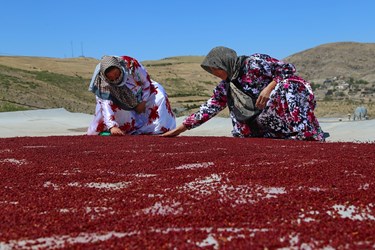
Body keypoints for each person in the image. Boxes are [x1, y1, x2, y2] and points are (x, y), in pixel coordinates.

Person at [162, 46, 325, 141]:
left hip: (293, 98)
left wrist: (269, 87)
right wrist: (179, 130)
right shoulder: (226, 85)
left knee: (288, 85)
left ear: (225, 62)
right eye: (211, 71)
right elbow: (209, 108)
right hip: (267, 111)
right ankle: (285, 135)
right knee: (243, 132)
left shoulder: (253, 63)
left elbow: (288, 69)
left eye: (215, 68)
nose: (214, 73)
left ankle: (307, 133)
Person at [87, 55, 176, 135]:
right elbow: (106, 104)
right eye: (110, 77)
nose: (115, 79)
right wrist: (112, 126)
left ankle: (158, 129)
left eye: (116, 74)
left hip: (142, 92)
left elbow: (146, 82)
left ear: (119, 68)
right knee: (118, 113)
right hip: (119, 101)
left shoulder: (131, 65)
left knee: (160, 95)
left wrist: (143, 102)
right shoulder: (103, 83)